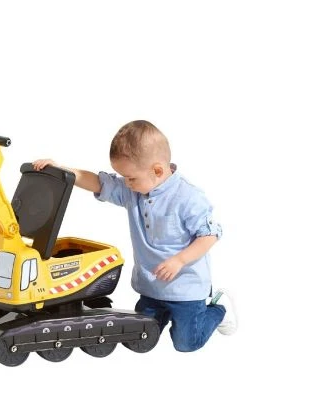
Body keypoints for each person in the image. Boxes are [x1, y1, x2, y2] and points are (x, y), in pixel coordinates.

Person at [33, 120, 237, 352]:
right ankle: (162, 315)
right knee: (138, 342)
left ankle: (218, 310)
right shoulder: (134, 192)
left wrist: (179, 260)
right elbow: (99, 183)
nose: (126, 184)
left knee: (186, 343)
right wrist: (63, 171)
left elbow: (209, 235)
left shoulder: (188, 198)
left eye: (130, 178)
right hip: (151, 288)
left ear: (157, 171)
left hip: (186, 290)